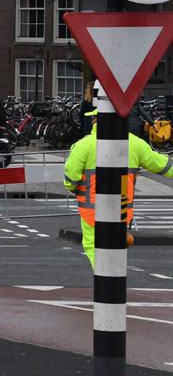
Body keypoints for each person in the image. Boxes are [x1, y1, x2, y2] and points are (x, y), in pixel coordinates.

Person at [65, 86, 173, 267]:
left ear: (95, 120)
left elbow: (70, 178)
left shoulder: (83, 145)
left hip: (92, 211)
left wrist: (74, 188)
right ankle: (114, 278)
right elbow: (163, 166)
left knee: (92, 247)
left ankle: (104, 282)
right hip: (121, 211)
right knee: (116, 246)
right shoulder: (135, 143)